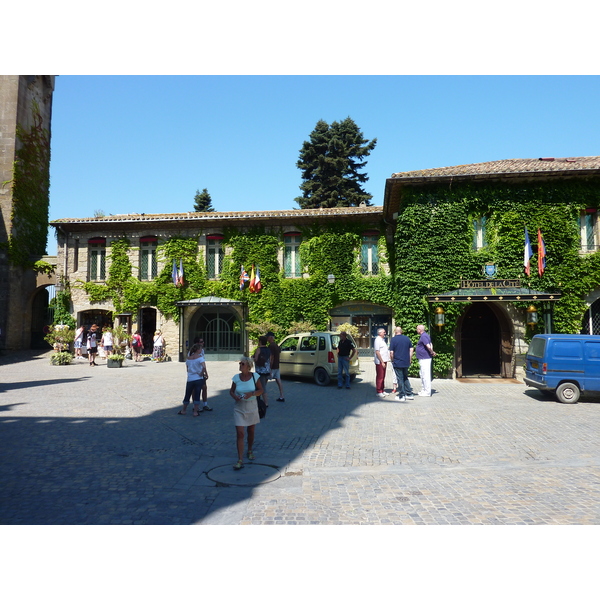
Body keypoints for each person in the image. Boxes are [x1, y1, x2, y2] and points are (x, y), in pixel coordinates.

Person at [230, 356, 264, 470]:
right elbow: (231, 391)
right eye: (240, 363)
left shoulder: (255, 376)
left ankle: (249, 449)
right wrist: (235, 397)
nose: (240, 365)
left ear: (248, 366)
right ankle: (240, 459)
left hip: (252, 406)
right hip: (239, 408)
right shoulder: (236, 377)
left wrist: (252, 394)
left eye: (242, 364)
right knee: (240, 433)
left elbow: (261, 390)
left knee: (251, 431)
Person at [176, 343, 207, 417]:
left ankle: (183, 410)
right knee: (197, 394)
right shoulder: (200, 358)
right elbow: (204, 367)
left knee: (187, 394)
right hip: (198, 378)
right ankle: (195, 411)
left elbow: (187, 368)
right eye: (200, 349)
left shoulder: (188, 358)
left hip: (190, 378)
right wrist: (201, 373)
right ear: (198, 350)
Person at [388, 326, 414, 402]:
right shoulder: (407, 338)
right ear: (401, 331)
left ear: (395, 332)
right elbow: (411, 349)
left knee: (400, 378)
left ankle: (402, 395)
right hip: (406, 361)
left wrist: (392, 360)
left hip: (397, 361)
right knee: (405, 377)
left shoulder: (393, 339)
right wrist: (410, 359)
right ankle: (409, 394)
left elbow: (391, 352)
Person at [192, 337, 212, 411]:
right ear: (197, 343)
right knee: (195, 390)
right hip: (194, 374)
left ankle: (205, 404)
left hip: (201, 372)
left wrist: (205, 372)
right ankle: (195, 406)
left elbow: (203, 363)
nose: (203, 343)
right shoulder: (191, 353)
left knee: (204, 387)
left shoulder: (202, 351)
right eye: (201, 342)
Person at [416, 324, 436, 396]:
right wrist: (432, 351)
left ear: (420, 330)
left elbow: (428, 345)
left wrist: (431, 352)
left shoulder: (424, 336)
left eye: (417, 329)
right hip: (423, 358)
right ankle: (424, 389)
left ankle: (427, 391)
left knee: (425, 375)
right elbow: (431, 344)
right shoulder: (425, 335)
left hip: (425, 358)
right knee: (422, 374)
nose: (416, 330)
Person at [253, 335, 272, 407]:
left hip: (260, 370)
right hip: (267, 370)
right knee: (262, 386)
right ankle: (258, 400)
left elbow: (256, 359)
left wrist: (253, 358)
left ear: (260, 342)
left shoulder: (259, 349)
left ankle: (266, 403)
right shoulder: (268, 349)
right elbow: (270, 360)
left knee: (262, 387)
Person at [267, 331, 285, 402]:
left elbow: (272, 357)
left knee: (264, 380)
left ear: (271, 338)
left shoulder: (271, 346)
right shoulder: (276, 345)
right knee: (278, 380)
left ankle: (261, 396)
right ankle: (282, 396)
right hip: (277, 365)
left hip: (273, 367)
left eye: (268, 337)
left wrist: (270, 368)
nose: (267, 338)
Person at [373, 327, 390, 397]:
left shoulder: (382, 340)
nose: (385, 333)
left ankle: (382, 389)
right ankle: (379, 391)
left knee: (383, 376)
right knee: (380, 376)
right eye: (384, 332)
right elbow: (377, 352)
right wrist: (382, 361)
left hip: (384, 360)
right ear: (380, 333)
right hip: (380, 361)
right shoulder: (377, 340)